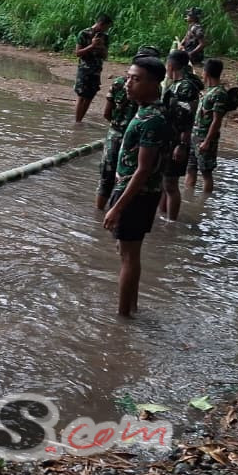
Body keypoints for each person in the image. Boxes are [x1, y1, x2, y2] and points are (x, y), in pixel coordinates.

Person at [103, 56, 168, 318]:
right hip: (135, 193)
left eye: (136, 79)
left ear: (154, 84)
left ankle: (122, 319)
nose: (128, 84)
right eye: (128, 77)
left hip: (136, 196)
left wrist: (117, 208)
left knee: (128, 255)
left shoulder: (152, 119)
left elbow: (143, 170)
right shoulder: (145, 111)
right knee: (128, 252)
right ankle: (131, 307)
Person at [96, 46, 159, 209]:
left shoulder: (120, 83)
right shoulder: (152, 89)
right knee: (118, 179)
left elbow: (107, 113)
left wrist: (118, 126)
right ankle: (106, 216)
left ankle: (106, 213)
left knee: (110, 179)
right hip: (130, 138)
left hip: (121, 135)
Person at [157, 49, 201, 221]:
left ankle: (171, 221)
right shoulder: (176, 85)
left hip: (177, 142)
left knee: (170, 184)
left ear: (171, 65)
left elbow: (187, 119)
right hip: (169, 140)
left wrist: (181, 145)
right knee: (163, 182)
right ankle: (162, 216)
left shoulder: (185, 87)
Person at [186, 58, 230, 193]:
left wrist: (207, 141)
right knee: (190, 168)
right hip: (195, 136)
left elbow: (217, 120)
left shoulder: (219, 93)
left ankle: (205, 199)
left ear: (206, 73)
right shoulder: (209, 92)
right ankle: (189, 195)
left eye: (203, 71)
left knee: (206, 172)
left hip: (205, 138)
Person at [73, 14, 113, 123]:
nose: (106, 30)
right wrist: (92, 46)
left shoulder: (105, 37)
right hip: (84, 70)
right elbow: (77, 53)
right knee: (82, 96)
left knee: (90, 97)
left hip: (96, 71)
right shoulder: (84, 34)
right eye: (106, 27)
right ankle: (77, 122)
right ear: (101, 24)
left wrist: (102, 47)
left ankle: (80, 120)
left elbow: (105, 56)